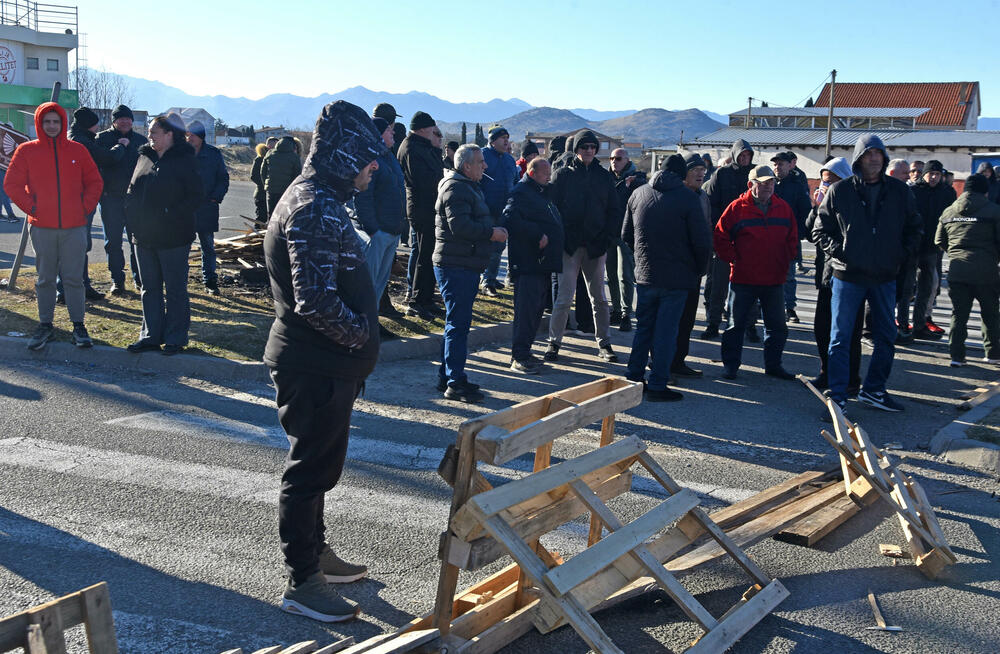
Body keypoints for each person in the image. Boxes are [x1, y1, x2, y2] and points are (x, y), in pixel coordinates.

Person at [263, 100, 385, 623]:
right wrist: (360, 337)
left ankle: (317, 555)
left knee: (321, 467)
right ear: (341, 155)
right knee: (309, 471)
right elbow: (314, 300)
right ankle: (303, 581)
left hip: (326, 364)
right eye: (366, 156)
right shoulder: (312, 205)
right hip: (315, 364)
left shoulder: (323, 198)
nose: (373, 166)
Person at [813, 134, 922, 415]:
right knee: (840, 338)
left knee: (886, 335)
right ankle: (837, 396)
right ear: (858, 158)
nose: (874, 158)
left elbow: (915, 228)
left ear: (884, 158)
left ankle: (874, 390)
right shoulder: (841, 191)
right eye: (868, 153)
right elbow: (819, 229)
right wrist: (840, 252)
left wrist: (900, 255)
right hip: (847, 277)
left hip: (885, 276)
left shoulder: (899, 192)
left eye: (878, 153)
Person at [4, 102, 103, 350]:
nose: (51, 126)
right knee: (45, 279)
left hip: (74, 227)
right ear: (40, 123)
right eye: (46, 122)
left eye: (55, 122)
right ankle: (45, 325)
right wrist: (32, 207)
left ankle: (78, 326)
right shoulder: (26, 151)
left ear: (62, 124)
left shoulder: (78, 150)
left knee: (73, 279)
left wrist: (84, 208)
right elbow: (12, 185)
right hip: (42, 227)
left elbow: (95, 182)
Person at [624, 154, 711, 401]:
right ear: (682, 174)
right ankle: (658, 384)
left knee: (644, 328)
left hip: (645, 274)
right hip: (677, 278)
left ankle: (634, 376)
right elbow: (701, 241)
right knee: (666, 332)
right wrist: (698, 269)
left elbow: (626, 234)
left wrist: (641, 260)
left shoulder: (638, 194)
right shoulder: (688, 199)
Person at [124, 113, 204, 356]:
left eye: (154, 132)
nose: (149, 136)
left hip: (174, 236)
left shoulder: (184, 159)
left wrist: (170, 212)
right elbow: (132, 189)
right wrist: (132, 216)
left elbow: (196, 196)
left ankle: (175, 338)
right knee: (149, 288)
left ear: (170, 134)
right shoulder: (144, 156)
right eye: (149, 132)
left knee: (175, 288)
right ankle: (150, 336)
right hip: (144, 235)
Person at [433, 144, 507, 401]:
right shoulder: (456, 188)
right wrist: (491, 233)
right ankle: (454, 382)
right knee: (458, 325)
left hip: (462, 263)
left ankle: (448, 376)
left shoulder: (465, 186)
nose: (485, 166)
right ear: (467, 166)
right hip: (456, 265)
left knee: (456, 323)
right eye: (480, 162)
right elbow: (461, 226)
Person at [715, 165, 798, 380]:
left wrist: (787, 260)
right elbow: (720, 237)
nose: (768, 186)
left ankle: (774, 366)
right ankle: (731, 366)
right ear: (751, 185)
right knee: (735, 326)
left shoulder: (783, 208)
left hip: (774, 279)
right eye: (763, 183)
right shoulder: (736, 208)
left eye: (770, 182)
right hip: (744, 278)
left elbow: (792, 238)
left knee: (777, 326)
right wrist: (734, 259)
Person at [545, 130, 620, 363]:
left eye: (592, 147)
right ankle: (553, 343)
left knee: (599, 297)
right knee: (564, 297)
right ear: (576, 149)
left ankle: (604, 342)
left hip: (596, 246)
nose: (588, 150)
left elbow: (614, 211)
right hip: (569, 246)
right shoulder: (562, 175)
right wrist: (559, 239)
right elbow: (551, 209)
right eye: (584, 146)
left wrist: (607, 239)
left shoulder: (603, 176)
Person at [805, 157, 862, 392]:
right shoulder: (824, 203)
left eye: (831, 182)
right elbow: (810, 233)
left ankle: (850, 379)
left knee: (848, 330)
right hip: (827, 274)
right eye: (823, 181)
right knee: (822, 327)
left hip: (849, 275)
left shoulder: (853, 201)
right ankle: (826, 372)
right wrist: (816, 206)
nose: (826, 186)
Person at [503, 157, 562, 373]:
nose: (549, 176)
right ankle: (518, 356)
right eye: (545, 173)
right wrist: (537, 234)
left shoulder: (541, 192)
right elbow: (509, 219)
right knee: (526, 311)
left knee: (536, 311)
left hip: (542, 263)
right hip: (528, 262)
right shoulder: (521, 193)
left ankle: (526, 352)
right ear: (532, 172)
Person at [935, 173, 1000, 366]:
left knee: (959, 313)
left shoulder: (948, 212)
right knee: (990, 312)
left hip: (957, 270)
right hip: (986, 271)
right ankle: (992, 353)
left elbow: (939, 240)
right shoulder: (995, 211)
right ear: (985, 191)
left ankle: (956, 356)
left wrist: (955, 253)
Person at [353, 117, 406, 318]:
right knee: (367, 284)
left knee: (380, 283)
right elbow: (363, 197)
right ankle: (361, 324)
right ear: (377, 134)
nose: (393, 133)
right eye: (389, 130)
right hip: (378, 233)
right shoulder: (371, 159)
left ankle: (370, 325)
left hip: (391, 231)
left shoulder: (389, 157)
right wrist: (373, 229)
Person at [702, 139, 755, 339]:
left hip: (749, 239)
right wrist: (718, 232)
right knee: (718, 284)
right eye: (741, 155)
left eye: (747, 155)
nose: (744, 159)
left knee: (750, 285)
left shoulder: (754, 174)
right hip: (725, 236)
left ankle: (750, 325)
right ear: (734, 155)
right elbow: (711, 204)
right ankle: (713, 323)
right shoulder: (721, 174)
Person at [61, 107, 112, 302]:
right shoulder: (81, 141)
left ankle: (77, 285)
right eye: (95, 123)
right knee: (75, 245)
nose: (98, 127)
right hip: (78, 200)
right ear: (88, 125)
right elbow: (103, 157)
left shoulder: (76, 137)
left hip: (78, 199)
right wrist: (119, 148)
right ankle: (69, 288)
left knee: (77, 244)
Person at [95, 104, 147, 295]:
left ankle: (140, 279)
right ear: (113, 121)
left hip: (135, 200)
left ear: (132, 121)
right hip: (111, 199)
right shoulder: (102, 139)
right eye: (120, 118)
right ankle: (117, 280)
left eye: (128, 118)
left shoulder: (141, 141)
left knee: (138, 241)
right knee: (113, 242)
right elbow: (99, 165)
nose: (125, 121)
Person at [397, 111, 444, 320]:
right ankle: (416, 300)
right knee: (423, 257)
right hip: (421, 208)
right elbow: (422, 180)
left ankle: (426, 299)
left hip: (428, 207)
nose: (435, 131)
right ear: (424, 128)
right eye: (432, 128)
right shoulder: (411, 148)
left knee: (429, 256)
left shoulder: (423, 147)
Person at [672, 152, 712, 377]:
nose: (700, 173)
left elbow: (706, 227)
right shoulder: (676, 196)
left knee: (687, 318)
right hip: (677, 266)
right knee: (672, 318)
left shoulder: (702, 197)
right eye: (695, 170)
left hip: (695, 268)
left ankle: (679, 361)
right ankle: (663, 363)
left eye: (702, 170)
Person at [910, 160, 956, 340]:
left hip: (932, 247)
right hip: (913, 246)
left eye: (937, 174)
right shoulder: (914, 191)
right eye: (931, 174)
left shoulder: (947, 193)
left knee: (927, 287)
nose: (934, 177)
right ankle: (902, 322)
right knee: (906, 289)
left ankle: (920, 324)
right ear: (924, 174)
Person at [187, 120, 230, 295]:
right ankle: (180, 280)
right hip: (185, 208)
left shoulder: (213, 154)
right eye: (187, 135)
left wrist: (215, 198)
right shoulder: (182, 154)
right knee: (182, 246)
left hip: (207, 206)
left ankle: (210, 281)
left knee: (208, 246)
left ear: (201, 137)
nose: (189, 138)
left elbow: (223, 179)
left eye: (193, 135)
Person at [771, 152, 811, 324]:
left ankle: (789, 308)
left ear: (790, 165)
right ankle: (761, 306)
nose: (777, 167)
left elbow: (805, 212)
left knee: (788, 276)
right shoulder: (769, 183)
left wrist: (800, 233)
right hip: (768, 238)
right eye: (775, 164)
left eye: (781, 164)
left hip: (788, 238)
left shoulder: (797, 185)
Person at [607, 148, 645, 332]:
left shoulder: (638, 179)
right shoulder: (607, 178)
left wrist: (624, 187)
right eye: (612, 158)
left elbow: (630, 204)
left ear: (627, 160)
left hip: (626, 234)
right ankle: (615, 309)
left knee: (625, 275)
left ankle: (625, 313)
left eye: (618, 158)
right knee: (611, 274)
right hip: (608, 233)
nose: (614, 161)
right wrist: (623, 186)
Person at [479, 125, 518, 296]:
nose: (506, 142)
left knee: (499, 247)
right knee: (488, 248)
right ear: (493, 140)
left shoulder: (509, 160)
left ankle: (492, 278)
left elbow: (516, 183)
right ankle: (486, 281)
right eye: (503, 138)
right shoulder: (481, 155)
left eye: (507, 138)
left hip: (505, 211)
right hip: (486, 210)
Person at [263, 135, 303, 218]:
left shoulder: (269, 153)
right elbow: (297, 175)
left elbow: (262, 172)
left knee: (271, 214)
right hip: (286, 191)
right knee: (284, 215)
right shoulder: (294, 157)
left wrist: (267, 184)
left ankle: (269, 229)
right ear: (293, 145)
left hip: (271, 190)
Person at [250, 137, 278, 225]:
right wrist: (265, 185)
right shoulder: (259, 159)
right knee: (261, 218)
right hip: (261, 194)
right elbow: (253, 176)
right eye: (274, 145)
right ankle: (256, 235)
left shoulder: (276, 158)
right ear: (268, 145)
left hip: (273, 194)